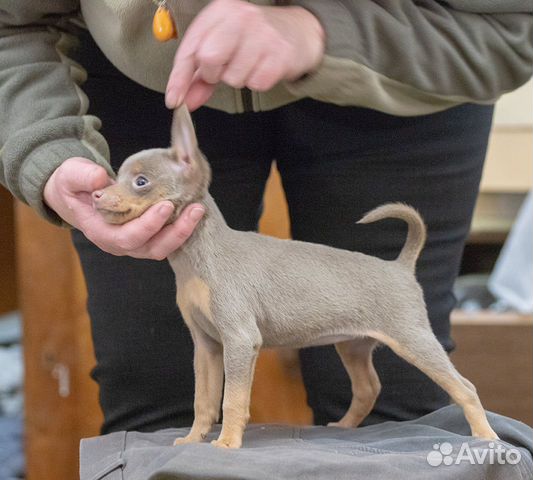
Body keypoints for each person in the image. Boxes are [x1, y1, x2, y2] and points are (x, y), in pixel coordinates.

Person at [1, 0, 531, 435]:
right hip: (144, 80)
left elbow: (513, 22)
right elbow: (11, 21)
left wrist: (320, 31)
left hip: (401, 65)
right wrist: (45, 149)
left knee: (397, 413)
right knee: (155, 406)